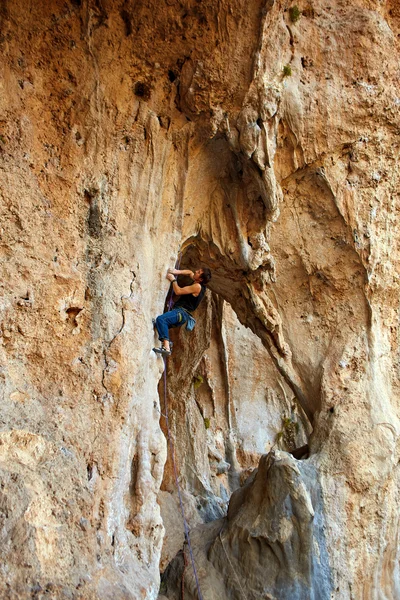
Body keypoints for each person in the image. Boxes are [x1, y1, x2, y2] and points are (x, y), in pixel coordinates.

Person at [153, 267, 212, 356]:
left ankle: (167, 347)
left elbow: (178, 291)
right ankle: (168, 343)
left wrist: (173, 280)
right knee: (159, 323)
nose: (196, 271)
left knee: (161, 320)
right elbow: (190, 272)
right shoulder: (198, 282)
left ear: (200, 279)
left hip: (181, 313)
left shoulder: (197, 286)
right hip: (181, 314)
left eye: (199, 272)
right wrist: (177, 272)